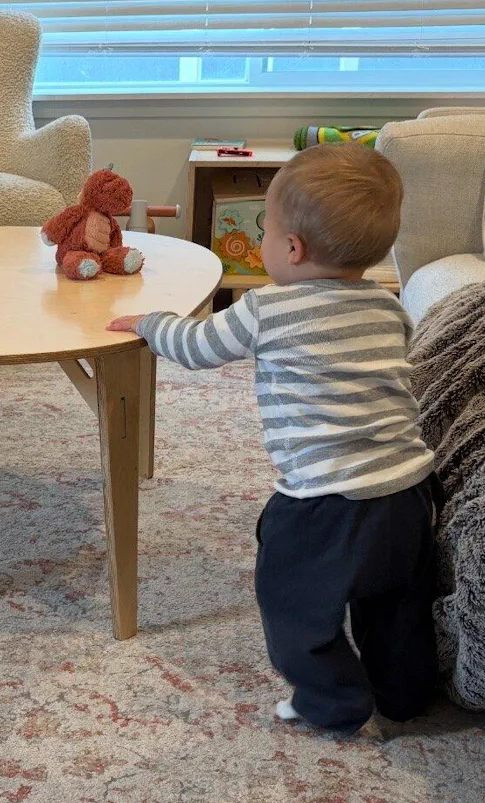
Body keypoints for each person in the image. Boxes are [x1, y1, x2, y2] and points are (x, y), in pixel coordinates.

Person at [107, 144, 437, 734]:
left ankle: (333, 701)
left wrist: (150, 323)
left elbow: (196, 347)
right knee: (396, 605)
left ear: (292, 249)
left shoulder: (265, 309)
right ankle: (405, 694)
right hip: (410, 490)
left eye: (266, 232)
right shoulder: (389, 308)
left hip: (326, 501)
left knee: (291, 603)